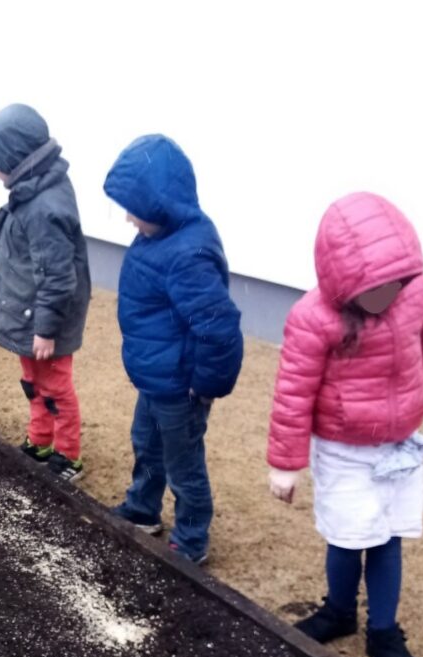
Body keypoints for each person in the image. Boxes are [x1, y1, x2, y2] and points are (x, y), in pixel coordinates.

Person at [267, 192, 423, 657]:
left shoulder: (418, 291)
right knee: (347, 536)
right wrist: (286, 464)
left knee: (388, 536)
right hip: (345, 449)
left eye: (393, 284)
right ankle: (339, 609)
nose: (386, 296)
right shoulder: (312, 319)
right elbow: (293, 392)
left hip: (399, 446)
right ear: (343, 278)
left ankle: (384, 630)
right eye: (373, 288)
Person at [102, 134, 244, 565]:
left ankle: (192, 538)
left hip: (181, 386)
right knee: (146, 442)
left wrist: (204, 387)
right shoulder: (157, 237)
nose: (127, 218)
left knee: (184, 462)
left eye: (134, 209)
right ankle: (143, 508)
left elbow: (218, 328)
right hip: (156, 376)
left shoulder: (188, 254)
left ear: (160, 204)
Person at [0, 104, 91, 481]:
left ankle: (67, 453)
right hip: (31, 314)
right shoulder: (32, 191)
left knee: (55, 384)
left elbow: (56, 275)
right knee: (33, 380)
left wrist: (46, 329)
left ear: (14, 159)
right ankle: (40, 438)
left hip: (46, 321)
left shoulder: (45, 206)